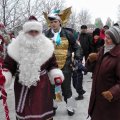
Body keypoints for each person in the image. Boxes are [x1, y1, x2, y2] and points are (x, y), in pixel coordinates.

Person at [0, 17, 64, 120]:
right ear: (25, 32)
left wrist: (55, 74)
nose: (33, 34)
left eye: (36, 31)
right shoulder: (15, 47)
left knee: (42, 113)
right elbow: (8, 66)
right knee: (25, 114)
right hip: (22, 87)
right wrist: (5, 77)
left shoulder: (47, 46)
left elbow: (53, 65)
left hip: (42, 87)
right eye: (30, 31)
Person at [44, 7, 83, 116]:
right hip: (51, 67)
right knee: (51, 89)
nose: (53, 24)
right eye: (51, 22)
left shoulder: (68, 33)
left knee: (67, 89)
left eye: (55, 21)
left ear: (60, 22)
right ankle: (53, 106)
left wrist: (77, 58)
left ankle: (71, 107)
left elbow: (77, 47)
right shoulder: (46, 35)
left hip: (66, 66)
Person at [86, 26, 120, 120]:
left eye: (108, 38)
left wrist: (112, 93)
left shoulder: (118, 56)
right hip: (97, 98)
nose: (105, 39)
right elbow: (92, 70)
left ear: (115, 40)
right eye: (105, 36)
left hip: (110, 102)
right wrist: (91, 61)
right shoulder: (102, 50)